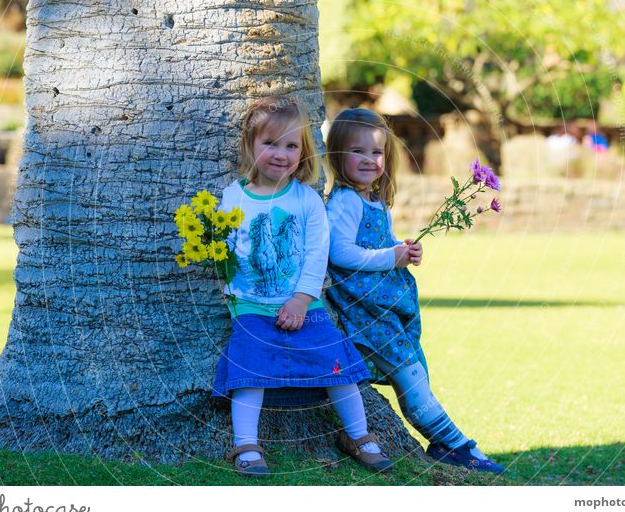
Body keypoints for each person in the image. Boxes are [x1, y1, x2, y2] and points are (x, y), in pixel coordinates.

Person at [212, 97, 393, 476]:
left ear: (303, 151)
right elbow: (227, 249)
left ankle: (358, 434)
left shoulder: (306, 200)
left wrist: (300, 299)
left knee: (337, 367)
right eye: (270, 143)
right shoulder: (233, 197)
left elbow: (316, 255)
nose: (281, 154)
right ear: (250, 146)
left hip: (306, 308)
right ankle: (245, 444)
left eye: (291, 145)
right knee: (249, 371)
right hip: (251, 306)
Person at [324, 108, 505, 475]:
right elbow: (339, 253)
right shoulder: (344, 201)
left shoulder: (372, 200)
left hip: (382, 306)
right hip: (364, 310)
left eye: (376, 152)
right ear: (338, 155)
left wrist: (403, 249)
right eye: (357, 151)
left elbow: (379, 243)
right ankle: (454, 444)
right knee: (408, 373)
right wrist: (391, 257)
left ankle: (444, 441)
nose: (369, 160)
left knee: (414, 371)